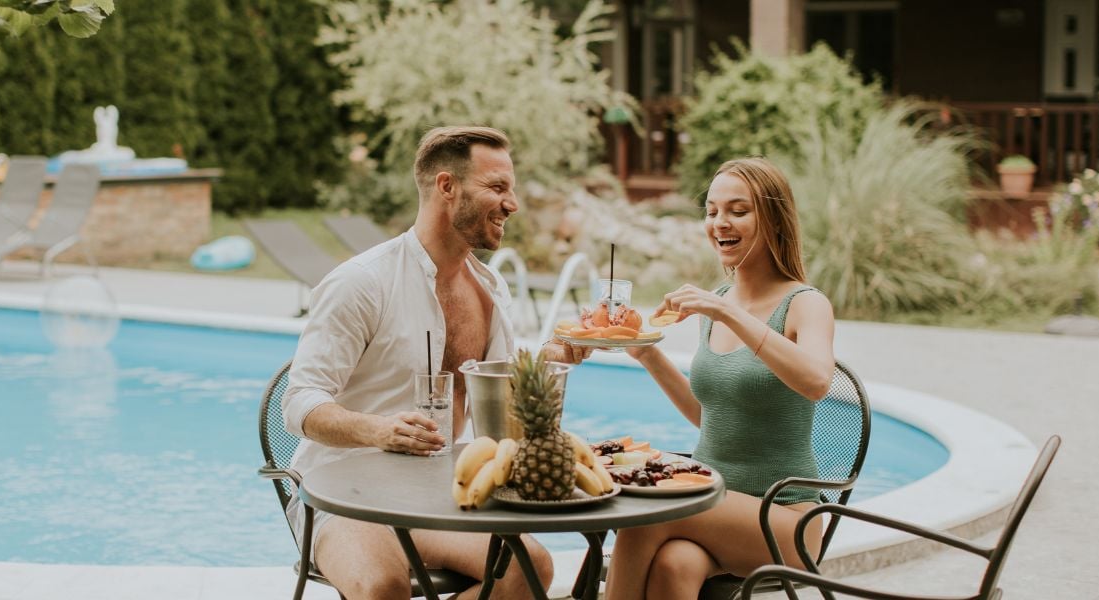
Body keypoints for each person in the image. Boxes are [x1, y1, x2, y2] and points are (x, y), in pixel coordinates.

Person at [281, 125, 590, 600]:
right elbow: (299, 403)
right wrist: (378, 430)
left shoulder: (489, 290)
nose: (512, 203)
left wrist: (546, 361)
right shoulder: (362, 283)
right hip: (343, 496)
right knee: (383, 586)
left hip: (440, 494)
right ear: (447, 186)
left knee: (529, 570)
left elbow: (499, 401)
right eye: (497, 187)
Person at [604, 157, 837, 600]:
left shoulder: (805, 303)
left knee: (648, 514)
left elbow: (817, 381)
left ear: (772, 218)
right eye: (711, 211)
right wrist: (648, 354)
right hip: (716, 507)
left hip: (785, 518)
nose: (719, 223)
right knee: (674, 567)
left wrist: (728, 311)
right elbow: (711, 419)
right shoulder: (719, 304)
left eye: (737, 210)